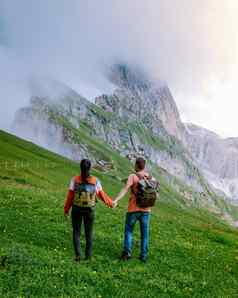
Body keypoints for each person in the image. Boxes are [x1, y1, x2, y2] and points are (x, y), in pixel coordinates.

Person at [64, 159, 115, 262]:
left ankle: (78, 255)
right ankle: (88, 256)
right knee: (89, 233)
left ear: (80, 167)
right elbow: (101, 195)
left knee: (76, 232)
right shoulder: (95, 181)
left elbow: (70, 196)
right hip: (89, 210)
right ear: (90, 168)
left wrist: (66, 210)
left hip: (76, 209)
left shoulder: (74, 180)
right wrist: (111, 203)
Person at [114, 157, 155, 262]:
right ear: (144, 166)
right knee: (144, 234)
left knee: (129, 231)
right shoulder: (150, 177)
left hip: (133, 209)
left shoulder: (133, 176)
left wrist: (116, 200)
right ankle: (144, 256)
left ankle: (127, 253)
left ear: (136, 165)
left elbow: (125, 188)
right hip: (146, 210)